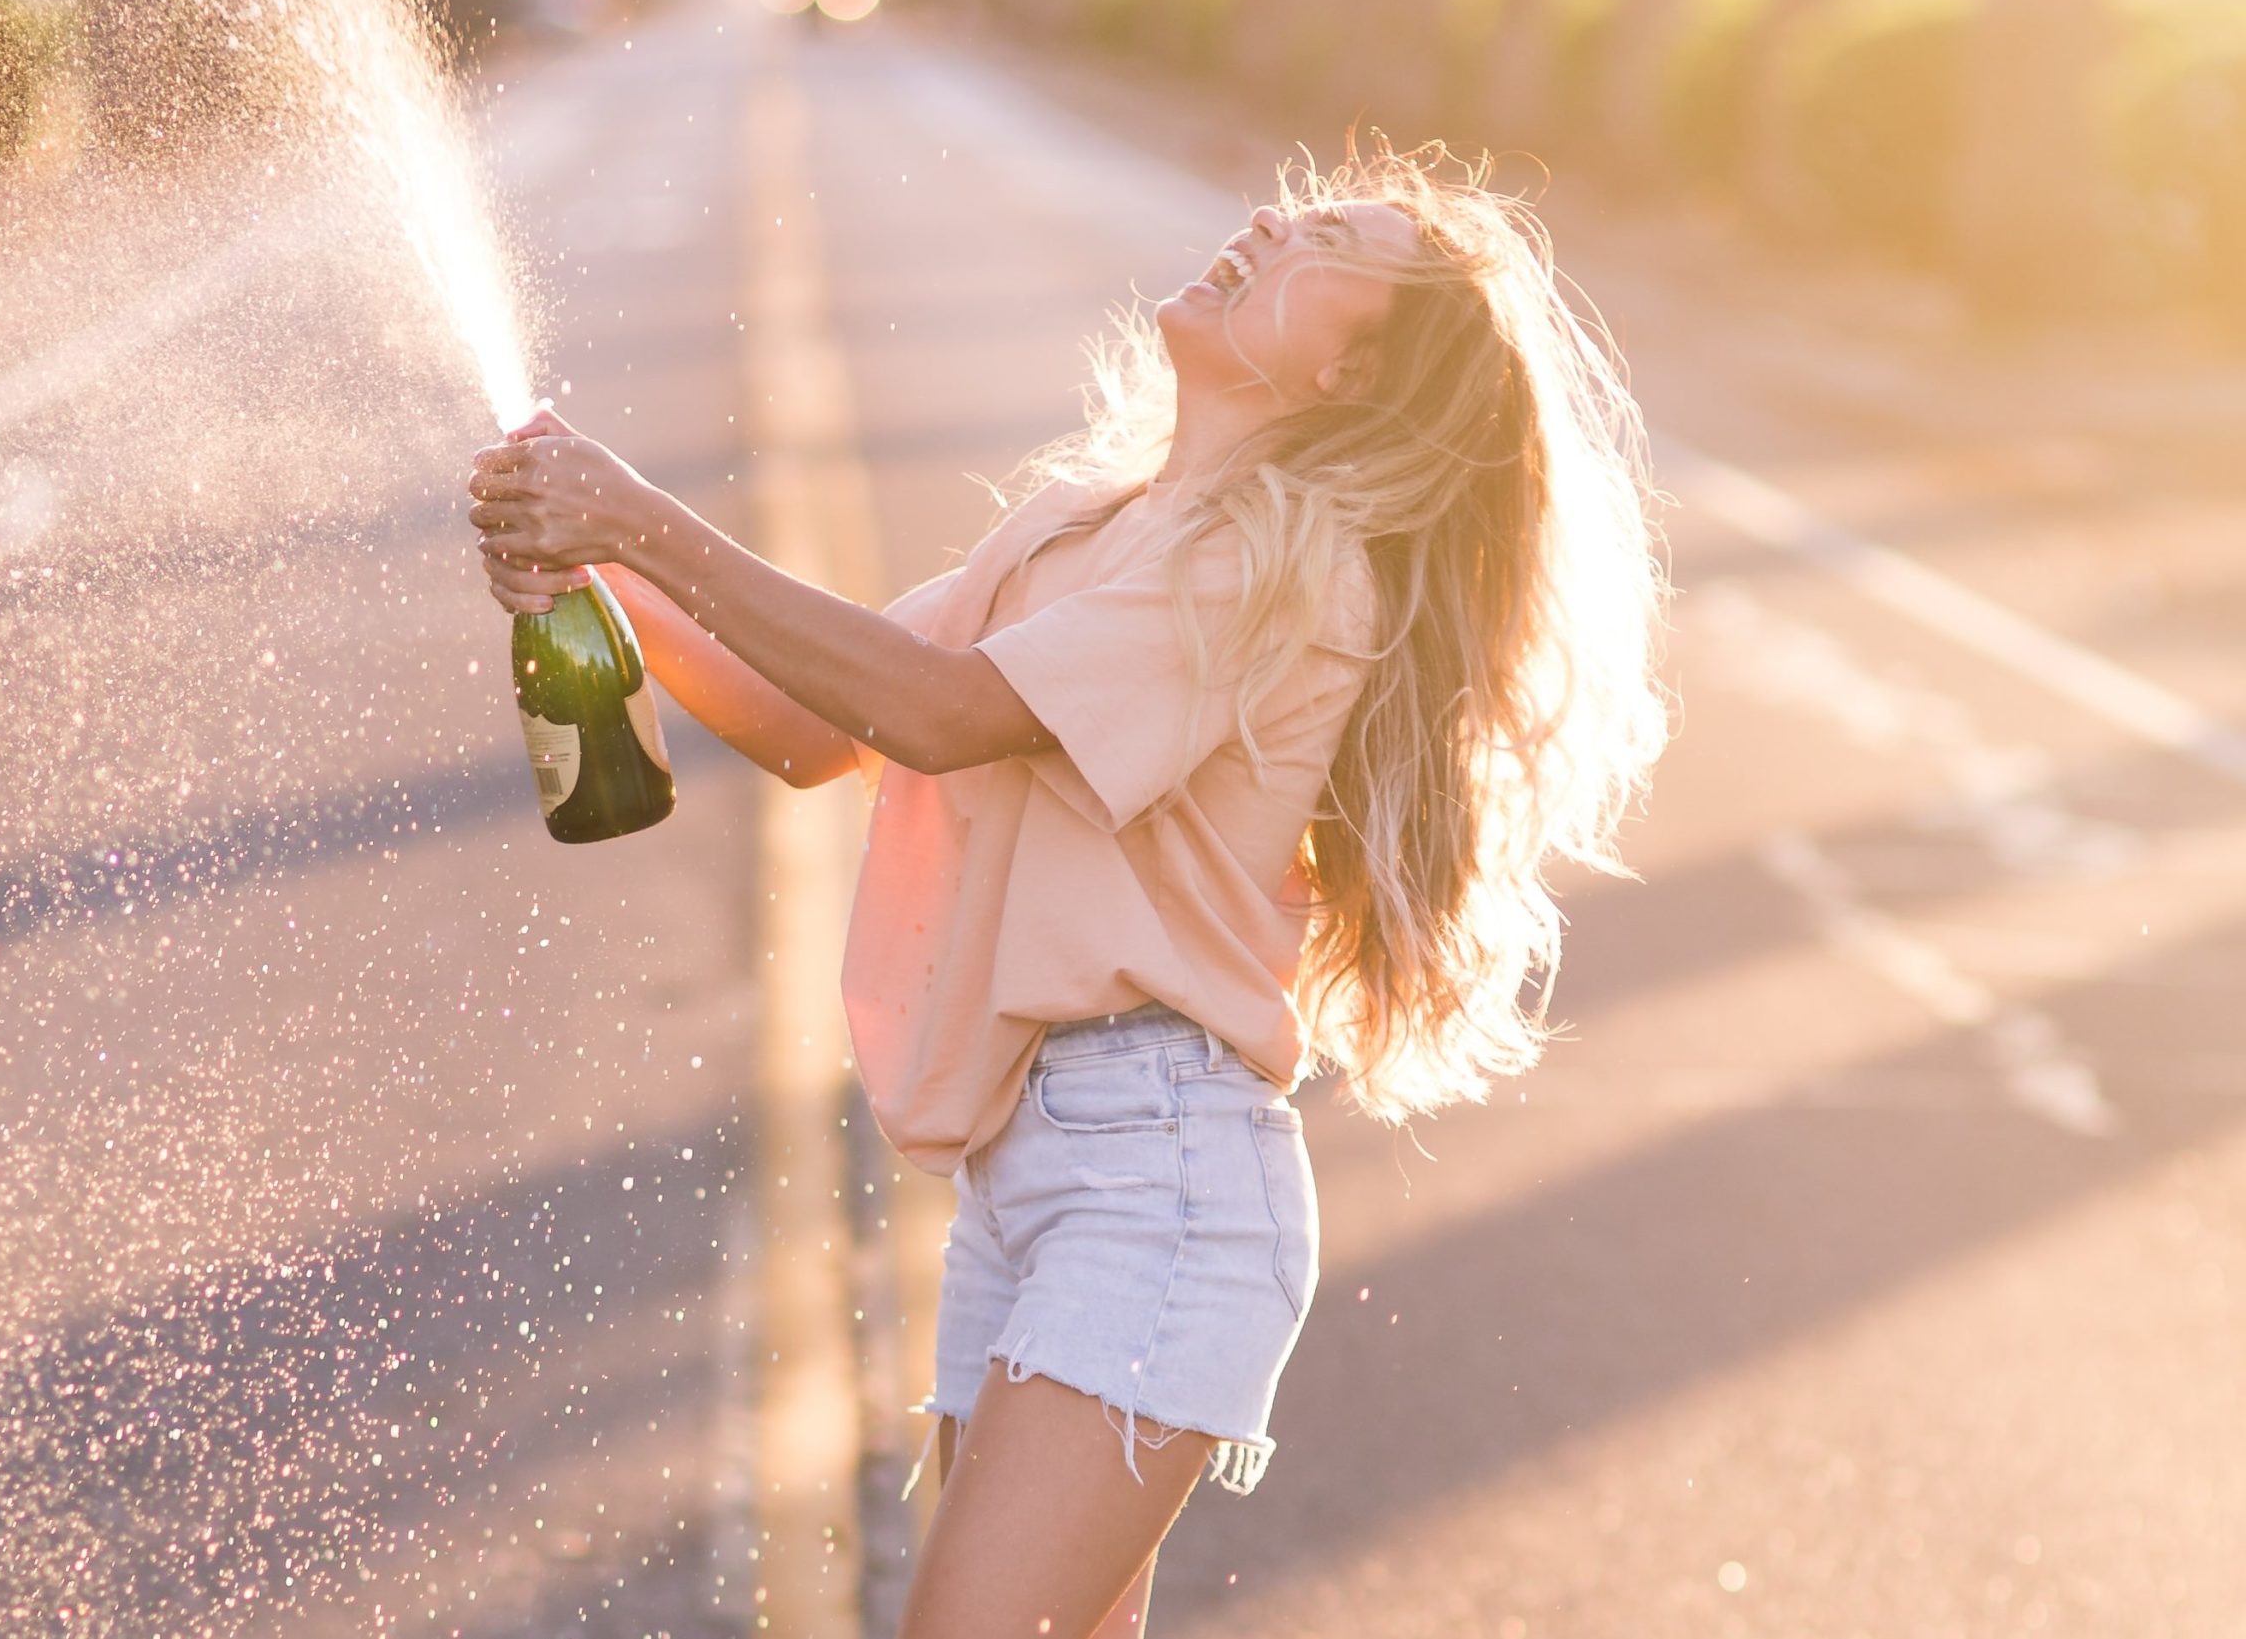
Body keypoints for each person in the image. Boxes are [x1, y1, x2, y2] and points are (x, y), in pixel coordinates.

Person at [465, 140, 1671, 1638]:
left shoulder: (1287, 569)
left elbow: (938, 710)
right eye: (1299, 203)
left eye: (1329, 239)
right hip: (1034, 1173)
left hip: (1157, 1185)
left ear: (1359, 378)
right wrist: (590, 566)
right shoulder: (1089, 530)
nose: (1271, 217)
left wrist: (635, 515)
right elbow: (812, 724)